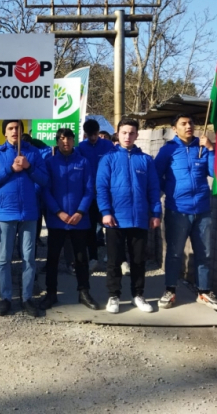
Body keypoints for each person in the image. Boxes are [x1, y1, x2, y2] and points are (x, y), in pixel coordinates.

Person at [154, 114, 217, 310]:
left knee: (205, 253)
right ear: (175, 129)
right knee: (174, 253)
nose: (188, 126)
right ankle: (170, 290)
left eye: (190, 123)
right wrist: (168, 191)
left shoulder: (202, 147)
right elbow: (156, 176)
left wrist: (211, 149)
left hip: (202, 209)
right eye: (183, 124)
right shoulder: (168, 150)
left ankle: (204, 292)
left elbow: (214, 172)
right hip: (178, 210)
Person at [97, 118, 161, 314]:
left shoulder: (146, 160)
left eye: (132, 133)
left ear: (137, 135)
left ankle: (138, 295)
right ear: (118, 133)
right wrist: (106, 212)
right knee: (114, 260)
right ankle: (114, 296)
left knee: (138, 260)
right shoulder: (108, 158)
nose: (128, 136)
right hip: (115, 218)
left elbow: (153, 188)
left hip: (140, 218)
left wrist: (156, 212)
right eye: (124, 132)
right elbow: (101, 187)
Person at [0, 120, 47, 317]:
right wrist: (10, 169)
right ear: (5, 132)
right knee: (4, 259)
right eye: (10, 128)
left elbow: (45, 179)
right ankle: (6, 298)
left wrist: (28, 167)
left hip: (29, 212)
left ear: (23, 131)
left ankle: (27, 298)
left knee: (28, 258)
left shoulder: (33, 152)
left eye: (17, 128)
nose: (14, 131)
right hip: (5, 213)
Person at [40, 128, 98, 311]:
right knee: (53, 258)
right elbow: (45, 190)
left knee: (81, 258)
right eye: (62, 139)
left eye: (69, 139)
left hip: (79, 219)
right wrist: (58, 212)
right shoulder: (49, 163)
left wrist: (81, 211)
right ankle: (51, 293)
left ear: (74, 141)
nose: (65, 142)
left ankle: (84, 292)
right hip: (57, 219)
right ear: (57, 142)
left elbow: (89, 190)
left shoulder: (83, 162)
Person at [78, 119, 115, 272]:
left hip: (108, 193)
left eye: (95, 134)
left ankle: (116, 257)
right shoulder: (80, 147)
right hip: (90, 195)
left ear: (99, 132)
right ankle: (93, 258)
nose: (92, 138)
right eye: (89, 135)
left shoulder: (108, 145)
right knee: (91, 228)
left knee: (112, 226)